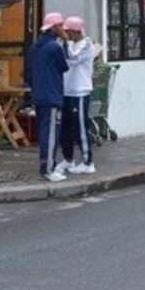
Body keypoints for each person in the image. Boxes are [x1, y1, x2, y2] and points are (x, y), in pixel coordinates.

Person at [24, 12, 70, 182]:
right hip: (52, 95)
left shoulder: (35, 46)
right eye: (61, 25)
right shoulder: (54, 47)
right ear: (54, 27)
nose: (63, 28)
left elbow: (28, 73)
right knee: (51, 134)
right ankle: (48, 169)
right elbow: (65, 66)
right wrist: (65, 43)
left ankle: (46, 165)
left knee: (44, 131)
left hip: (39, 94)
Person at [52, 16, 96, 176]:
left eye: (68, 32)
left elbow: (73, 59)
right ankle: (68, 159)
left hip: (80, 92)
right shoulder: (68, 43)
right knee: (65, 128)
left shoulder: (87, 45)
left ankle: (88, 162)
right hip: (66, 91)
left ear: (76, 31)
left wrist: (64, 43)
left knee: (80, 127)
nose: (66, 35)